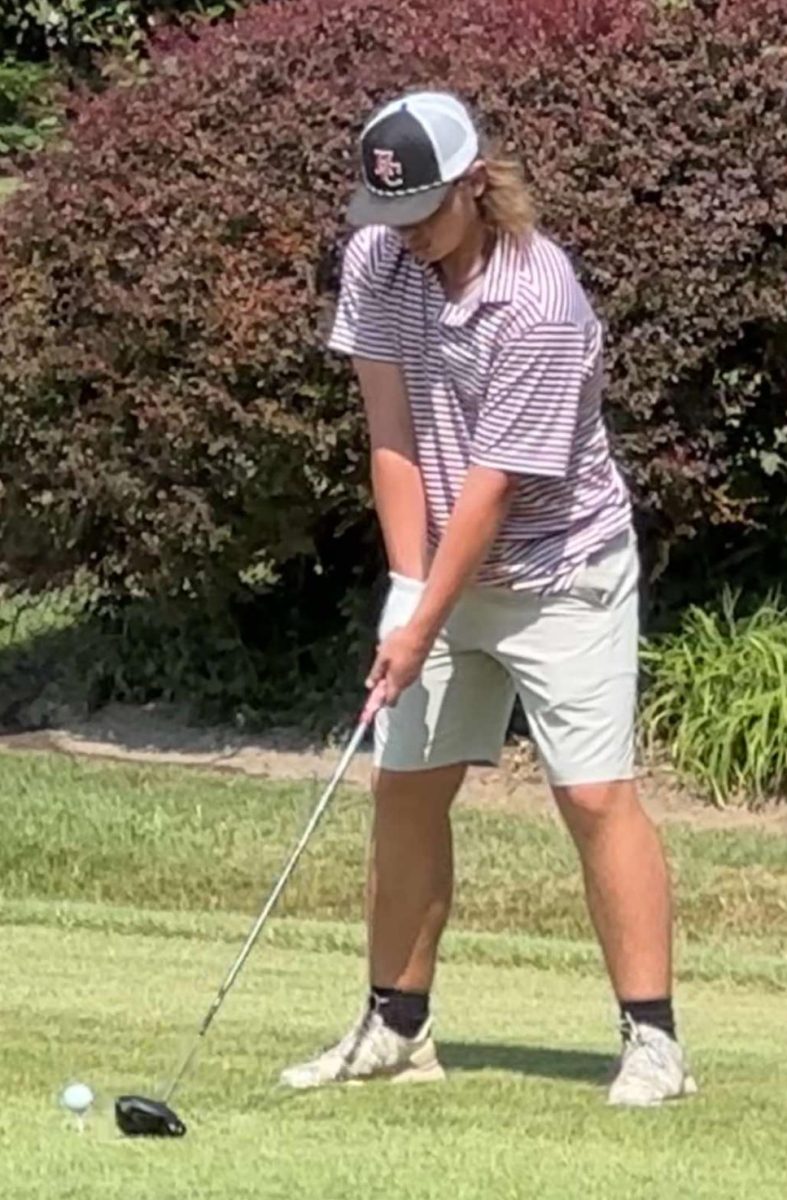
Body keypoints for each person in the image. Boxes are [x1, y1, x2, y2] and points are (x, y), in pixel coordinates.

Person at [281, 91, 696, 1106]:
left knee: (593, 794)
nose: (406, 231)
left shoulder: (538, 299)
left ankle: (654, 1045)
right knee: (406, 787)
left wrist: (423, 622)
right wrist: (403, 588)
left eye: (425, 208)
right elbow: (391, 435)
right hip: (440, 569)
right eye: (390, 212)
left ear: (476, 183)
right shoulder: (380, 258)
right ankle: (394, 1028)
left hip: (563, 571)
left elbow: (495, 485)